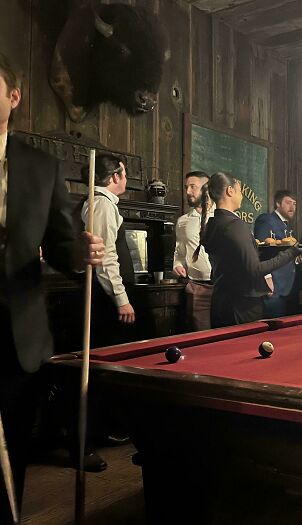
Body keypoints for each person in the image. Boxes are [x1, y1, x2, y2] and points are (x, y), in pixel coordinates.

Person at [0, 52, 104, 524]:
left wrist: (82, 254)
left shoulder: (41, 165)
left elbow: (61, 245)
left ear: (13, 95)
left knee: (11, 462)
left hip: (17, 337)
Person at [199, 173, 302, 327]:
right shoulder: (235, 225)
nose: (242, 195)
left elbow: (233, 263)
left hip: (220, 302)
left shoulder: (213, 223)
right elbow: (255, 269)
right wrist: (291, 253)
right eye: (240, 190)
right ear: (230, 191)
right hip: (242, 305)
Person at [81, 154, 136, 347]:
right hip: (107, 299)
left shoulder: (102, 202)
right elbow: (105, 257)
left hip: (107, 295)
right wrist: (121, 300)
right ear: (115, 177)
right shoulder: (102, 204)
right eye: (125, 175)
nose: (126, 180)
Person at [173, 171, 214, 331]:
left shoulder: (223, 216)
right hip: (197, 288)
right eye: (186, 187)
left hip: (224, 289)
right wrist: (177, 264)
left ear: (207, 189)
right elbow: (179, 253)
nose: (188, 192)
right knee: (201, 339)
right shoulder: (182, 222)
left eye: (193, 187)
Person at [253, 189, 297, 317]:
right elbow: (261, 250)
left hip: (287, 287)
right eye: (288, 203)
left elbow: (282, 252)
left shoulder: (285, 225)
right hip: (274, 286)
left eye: (294, 204)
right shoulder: (266, 220)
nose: (292, 207)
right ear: (278, 204)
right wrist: (267, 279)